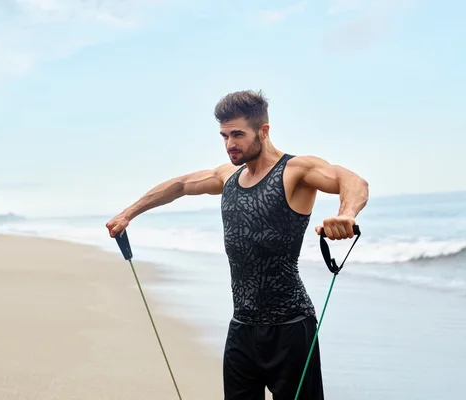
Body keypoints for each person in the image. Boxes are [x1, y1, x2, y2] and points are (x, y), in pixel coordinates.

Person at [106, 90, 369, 400]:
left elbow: (352, 181)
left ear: (264, 131)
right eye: (224, 135)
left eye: (237, 134)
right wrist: (127, 214)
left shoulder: (295, 171)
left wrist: (346, 214)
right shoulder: (227, 176)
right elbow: (179, 185)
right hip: (241, 328)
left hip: (291, 327)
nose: (230, 143)